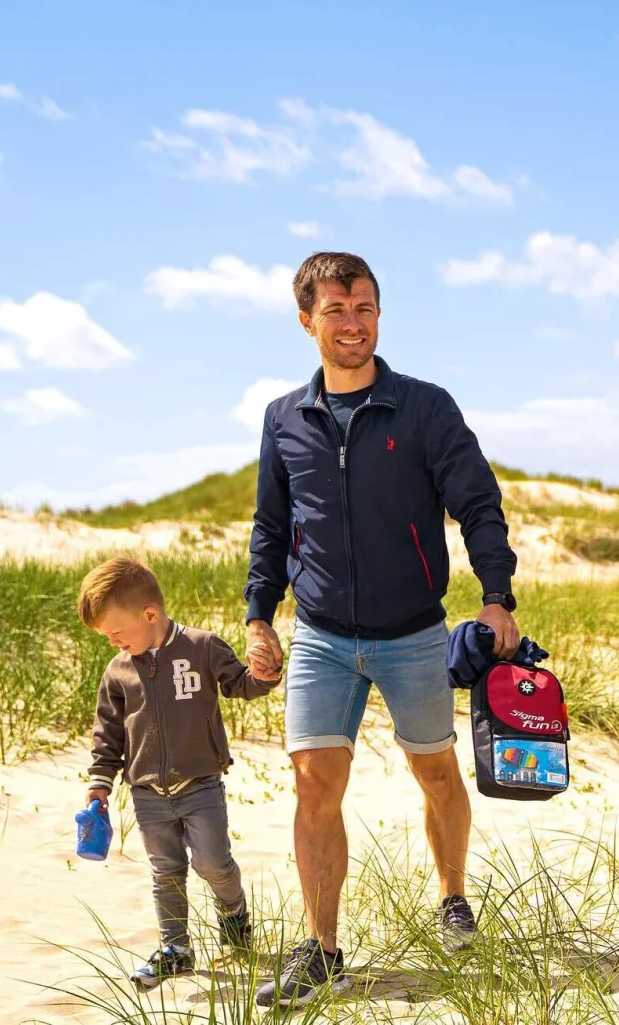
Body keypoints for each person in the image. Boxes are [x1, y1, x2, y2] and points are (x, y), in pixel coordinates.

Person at [243, 251, 520, 1009]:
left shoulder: (425, 408)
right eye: (335, 311)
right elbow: (271, 527)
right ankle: (322, 947)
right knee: (313, 783)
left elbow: (480, 504)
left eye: (363, 308)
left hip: (413, 633)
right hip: (322, 636)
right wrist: (258, 616)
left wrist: (497, 597)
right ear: (307, 321)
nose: (352, 323)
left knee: (435, 771)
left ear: (378, 315)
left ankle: (453, 897)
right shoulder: (283, 419)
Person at [80, 557, 279, 989]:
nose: (114, 643)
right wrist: (100, 782)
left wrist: (263, 676)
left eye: (117, 634)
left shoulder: (202, 646)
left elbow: (241, 684)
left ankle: (234, 912)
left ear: (149, 614)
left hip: (200, 783)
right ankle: (176, 949)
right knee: (165, 870)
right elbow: (108, 734)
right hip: (147, 792)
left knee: (212, 862)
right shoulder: (118, 672)